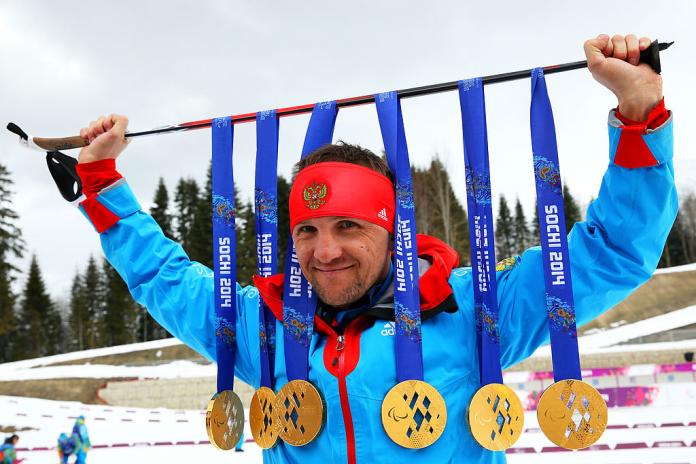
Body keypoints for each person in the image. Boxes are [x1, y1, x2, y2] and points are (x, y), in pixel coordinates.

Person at [73, 34, 676, 463]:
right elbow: (163, 277)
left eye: (348, 227)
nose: (324, 250)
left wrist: (641, 112)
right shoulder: (262, 325)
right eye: (307, 231)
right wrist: (102, 183)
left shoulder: (474, 309)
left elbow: (614, 250)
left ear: (393, 233)